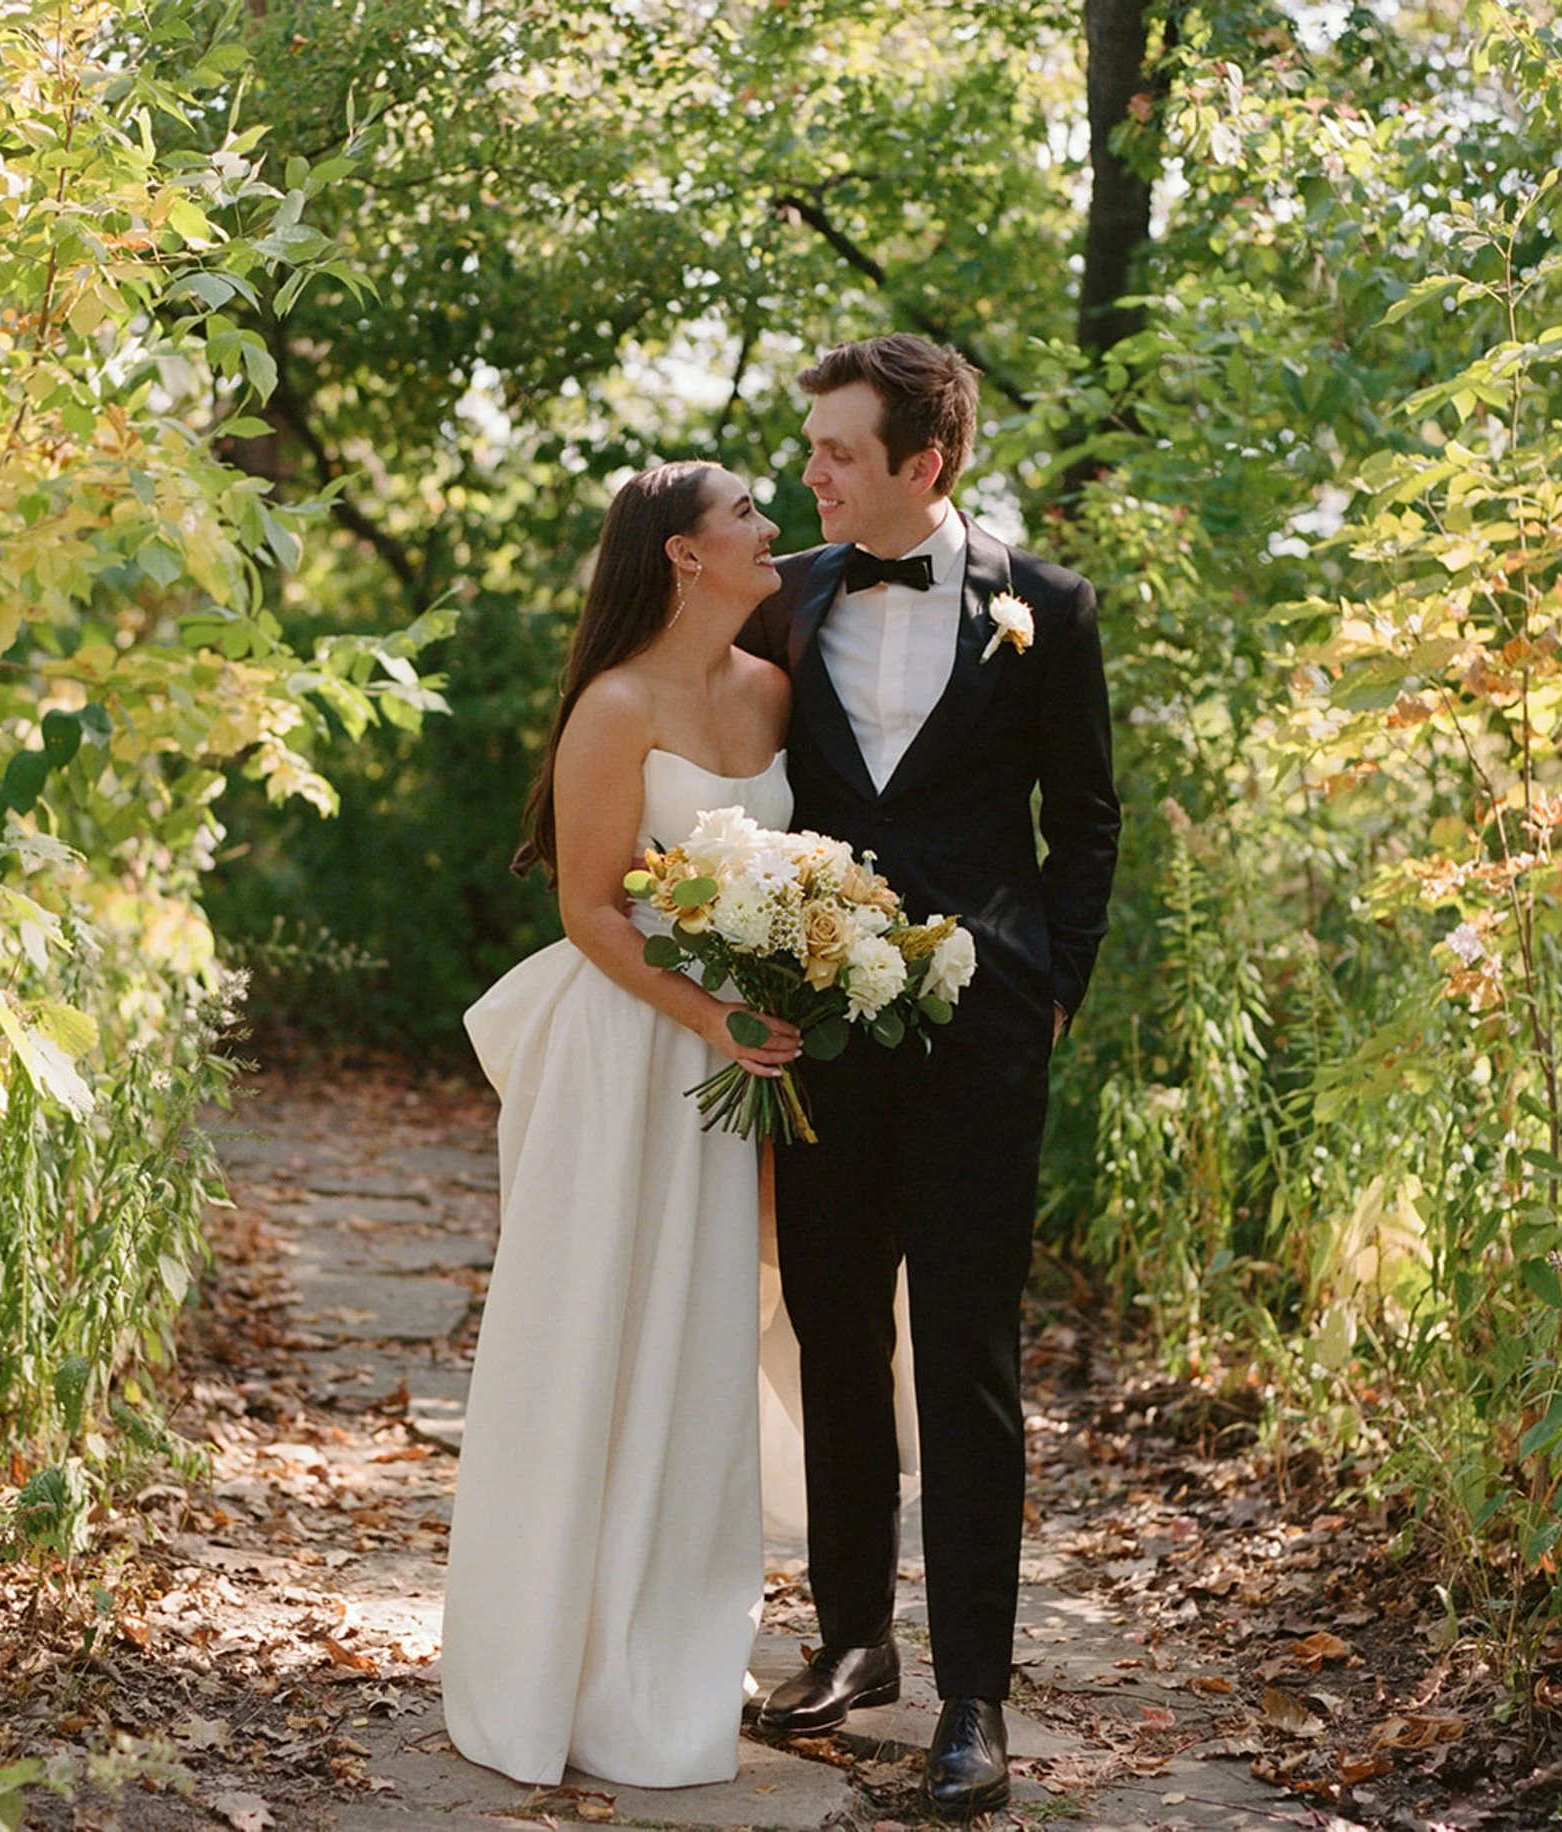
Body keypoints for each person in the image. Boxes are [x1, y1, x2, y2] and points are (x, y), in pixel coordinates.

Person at [740, 334, 1121, 1812]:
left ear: (926, 462)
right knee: (833, 1321)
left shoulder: (1051, 610)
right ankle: (851, 1641)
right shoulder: (786, 599)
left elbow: (1086, 818)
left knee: (964, 1354)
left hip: (985, 1031)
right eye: (815, 446)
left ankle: (975, 1694)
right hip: (828, 1033)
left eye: (838, 450)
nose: (813, 473)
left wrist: (1056, 993)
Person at [443, 461, 802, 1788]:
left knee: (702, 1341)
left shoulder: (777, 689)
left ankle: (670, 1670)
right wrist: (706, 1014)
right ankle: (540, 1665)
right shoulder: (613, 708)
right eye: (748, 516)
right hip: (632, 1043)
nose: (775, 530)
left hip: (737, 1056)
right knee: (591, 1327)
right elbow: (591, 907)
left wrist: (798, 976)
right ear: (683, 556)